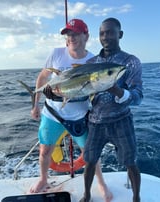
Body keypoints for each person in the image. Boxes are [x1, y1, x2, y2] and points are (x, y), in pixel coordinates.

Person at [30, 18, 112, 201]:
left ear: (86, 35)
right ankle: (43, 179)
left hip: (79, 116)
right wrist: (35, 104)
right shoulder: (56, 54)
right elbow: (43, 78)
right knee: (44, 151)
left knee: (91, 154)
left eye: (75, 33)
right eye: (68, 34)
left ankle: (101, 183)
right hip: (52, 114)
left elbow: (95, 90)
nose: (71, 37)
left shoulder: (93, 60)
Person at [80, 18, 143, 202]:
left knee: (130, 162)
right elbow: (83, 93)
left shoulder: (130, 62)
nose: (105, 37)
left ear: (120, 34)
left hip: (121, 120)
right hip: (95, 122)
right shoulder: (92, 62)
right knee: (89, 161)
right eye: (101, 33)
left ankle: (136, 197)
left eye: (110, 32)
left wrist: (115, 89)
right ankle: (87, 195)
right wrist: (58, 94)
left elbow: (138, 97)